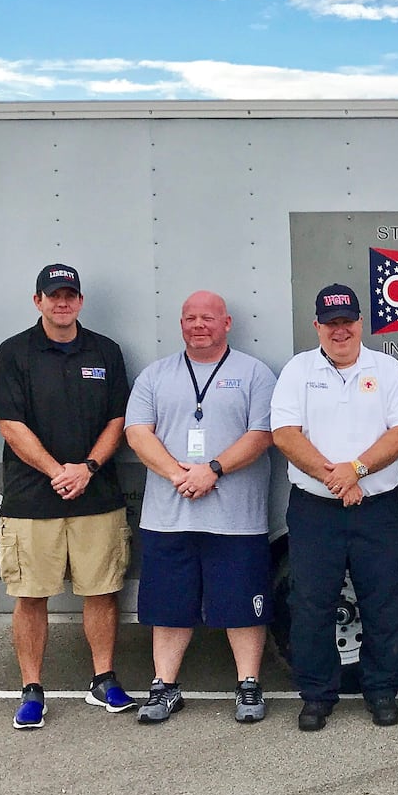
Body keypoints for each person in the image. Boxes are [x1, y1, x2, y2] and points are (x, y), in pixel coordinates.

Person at [0, 263, 134, 730]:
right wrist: (56, 471)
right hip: (33, 498)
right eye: (54, 295)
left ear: (80, 302)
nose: (62, 302)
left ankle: (103, 679)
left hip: (96, 494)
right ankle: (32, 689)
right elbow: (10, 424)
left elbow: (118, 420)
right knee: (30, 595)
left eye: (70, 295)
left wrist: (86, 469)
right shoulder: (13, 353)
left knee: (102, 590)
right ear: (38, 301)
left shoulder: (105, 352)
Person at [269, 285, 398, 732]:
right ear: (317, 325)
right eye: (331, 323)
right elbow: (285, 434)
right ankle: (317, 695)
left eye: (348, 321)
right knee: (312, 603)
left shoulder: (388, 369)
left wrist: (354, 470)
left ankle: (381, 691)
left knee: (384, 602)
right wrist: (335, 479)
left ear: (361, 323)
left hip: (376, 507)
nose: (341, 330)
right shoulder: (298, 370)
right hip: (316, 509)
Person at [123, 291, 276, 725]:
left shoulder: (254, 374)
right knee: (170, 607)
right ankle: (165, 687)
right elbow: (137, 433)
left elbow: (263, 433)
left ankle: (248, 685)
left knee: (243, 607)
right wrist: (177, 474)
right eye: (189, 317)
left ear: (226, 323)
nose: (198, 325)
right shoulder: (155, 375)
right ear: (181, 324)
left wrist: (212, 469)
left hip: (236, 519)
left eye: (207, 318)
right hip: (169, 517)